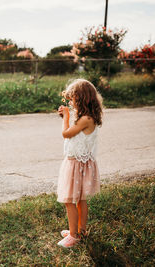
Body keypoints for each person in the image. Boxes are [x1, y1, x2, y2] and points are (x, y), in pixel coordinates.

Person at [56, 79, 103, 248]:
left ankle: (74, 236)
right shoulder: (87, 117)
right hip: (83, 163)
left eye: (73, 99)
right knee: (80, 200)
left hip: (76, 164)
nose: (70, 102)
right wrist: (68, 115)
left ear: (81, 99)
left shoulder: (85, 119)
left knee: (70, 200)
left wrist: (66, 117)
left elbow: (66, 134)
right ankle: (79, 230)